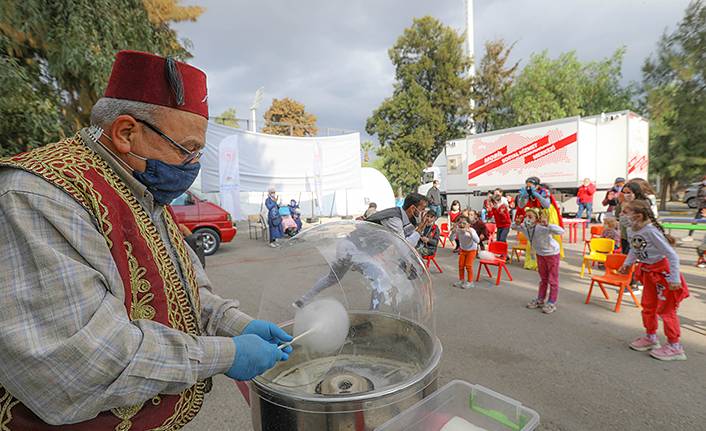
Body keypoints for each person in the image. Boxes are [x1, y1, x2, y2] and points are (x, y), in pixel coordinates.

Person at [0, 51, 290, 429]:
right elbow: (79, 365)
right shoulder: (37, 197)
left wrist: (235, 324)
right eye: (187, 149)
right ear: (125, 133)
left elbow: (182, 292)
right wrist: (226, 354)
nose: (193, 165)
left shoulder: (142, 189)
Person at [620, 200, 689, 361]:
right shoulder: (631, 230)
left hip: (664, 274)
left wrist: (673, 278)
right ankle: (651, 338)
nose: (621, 216)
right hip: (648, 271)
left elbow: (672, 255)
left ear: (638, 216)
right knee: (648, 306)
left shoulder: (650, 231)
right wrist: (627, 263)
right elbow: (634, 248)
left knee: (666, 310)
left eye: (625, 213)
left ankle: (675, 346)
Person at [512, 208, 564, 314]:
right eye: (526, 216)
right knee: (543, 278)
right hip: (540, 254)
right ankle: (540, 299)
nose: (527, 219)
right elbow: (513, 227)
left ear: (537, 219)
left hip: (552, 254)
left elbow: (561, 231)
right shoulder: (525, 227)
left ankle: (551, 302)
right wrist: (516, 223)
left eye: (530, 216)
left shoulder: (541, 227)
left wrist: (547, 224)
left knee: (553, 280)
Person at [516, 176, 564, 269]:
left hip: (546, 214)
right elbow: (521, 205)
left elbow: (546, 205)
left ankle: (550, 259)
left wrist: (537, 195)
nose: (528, 187)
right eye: (527, 185)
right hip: (535, 214)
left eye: (530, 185)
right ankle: (534, 262)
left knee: (547, 237)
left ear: (537, 186)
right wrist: (523, 197)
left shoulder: (544, 191)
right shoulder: (527, 191)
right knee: (533, 237)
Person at [363, 192, 428, 246]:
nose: (424, 212)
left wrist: (421, 227)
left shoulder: (405, 218)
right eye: (422, 209)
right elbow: (404, 247)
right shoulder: (394, 220)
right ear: (413, 208)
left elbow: (409, 234)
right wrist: (419, 230)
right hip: (363, 248)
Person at [453, 216, 480, 289]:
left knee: (468, 266)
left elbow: (478, 241)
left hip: (472, 250)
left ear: (469, 224)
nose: (461, 225)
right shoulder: (458, 230)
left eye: (464, 223)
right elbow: (451, 238)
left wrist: (470, 233)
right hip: (463, 250)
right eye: (460, 223)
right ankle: (461, 280)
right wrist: (453, 232)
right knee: (461, 265)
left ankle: (470, 282)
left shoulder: (472, 230)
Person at [685, 176, 706, 241]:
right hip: (703, 208)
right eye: (704, 179)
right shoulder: (701, 187)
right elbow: (698, 198)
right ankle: (689, 236)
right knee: (695, 221)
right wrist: (703, 199)